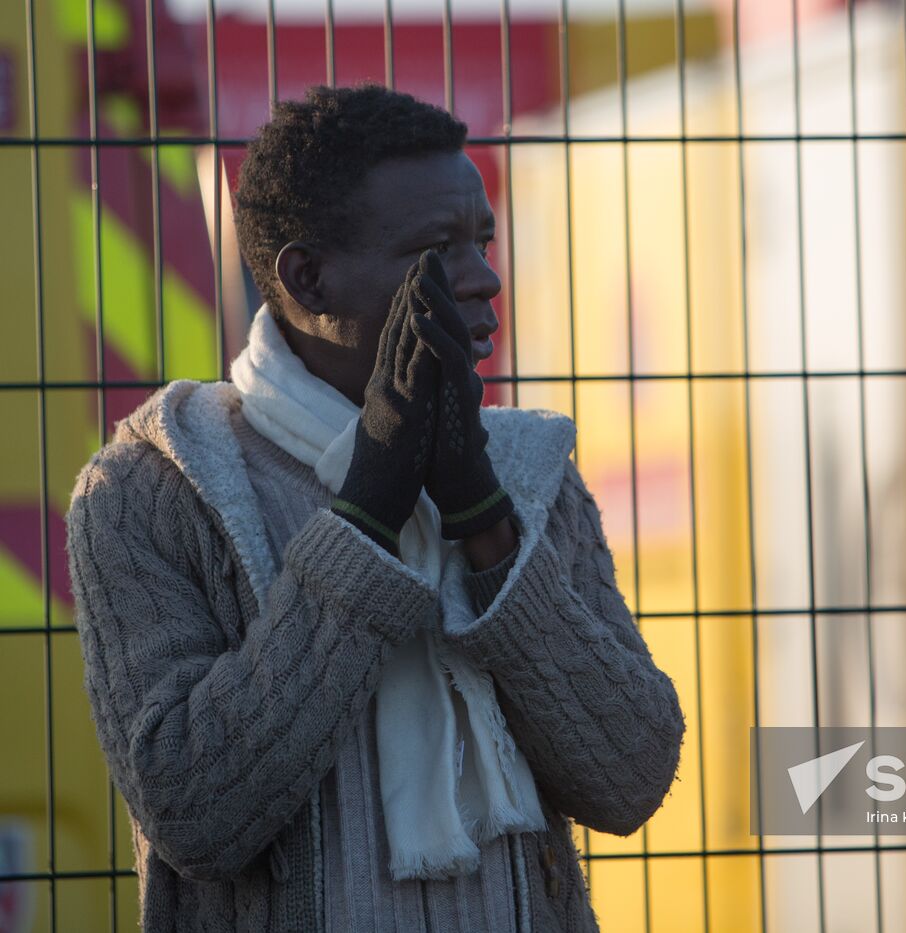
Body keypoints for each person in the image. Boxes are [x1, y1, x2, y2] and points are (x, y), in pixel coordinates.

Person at [64, 84, 685, 933]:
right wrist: (367, 515)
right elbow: (196, 811)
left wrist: (481, 515)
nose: (484, 278)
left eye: (483, 238)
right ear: (307, 276)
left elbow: (630, 773)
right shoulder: (154, 489)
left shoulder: (527, 473)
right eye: (436, 248)